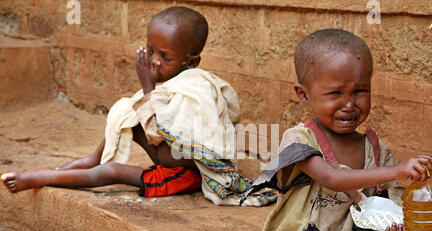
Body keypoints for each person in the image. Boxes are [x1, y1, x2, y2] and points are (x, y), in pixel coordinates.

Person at [1, 6, 277, 207]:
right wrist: (146, 94)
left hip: (183, 172)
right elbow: (147, 122)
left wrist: (148, 89)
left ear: (191, 61)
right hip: (166, 153)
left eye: (165, 57)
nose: (154, 61)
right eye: (151, 50)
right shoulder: (172, 83)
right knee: (127, 109)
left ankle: (40, 177)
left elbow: (165, 135)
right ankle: (92, 158)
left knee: (112, 172)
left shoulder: (197, 89)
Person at [233, 29, 432, 231]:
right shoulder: (299, 140)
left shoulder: (376, 150)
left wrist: (396, 223)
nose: (349, 104)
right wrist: (397, 170)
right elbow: (332, 178)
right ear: (303, 94)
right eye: (335, 93)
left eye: (360, 91)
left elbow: (389, 202)